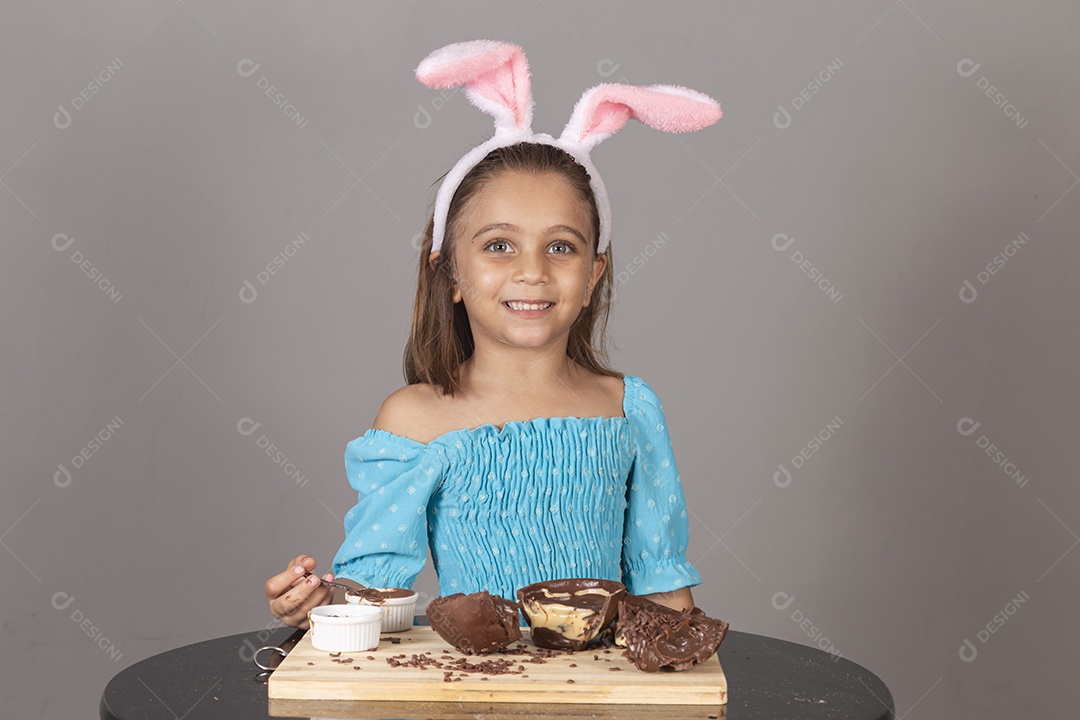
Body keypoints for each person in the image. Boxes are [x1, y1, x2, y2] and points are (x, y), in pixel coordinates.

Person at [264, 40, 721, 629]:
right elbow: (370, 597)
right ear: (450, 270)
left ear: (592, 276)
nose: (532, 271)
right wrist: (319, 609)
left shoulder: (629, 409)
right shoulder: (414, 421)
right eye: (499, 245)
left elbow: (662, 587)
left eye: (561, 247)